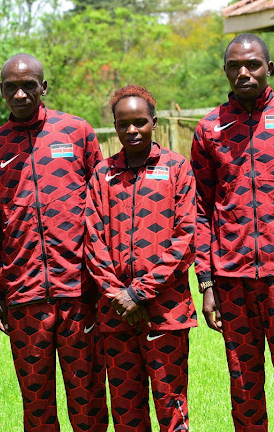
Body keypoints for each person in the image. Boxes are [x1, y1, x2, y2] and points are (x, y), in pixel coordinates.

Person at [192, 33, 274, 431]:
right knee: (244, 388)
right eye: (235, 65)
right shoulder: (210, 128)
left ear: (269, 67)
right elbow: (199, 211)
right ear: (226, 71)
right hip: (231, 281)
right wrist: (207, 282)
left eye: (252, 63)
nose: (243, 72)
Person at [0, 53, 108, 431]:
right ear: (1, 92)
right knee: (36, 405)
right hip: (24, 296)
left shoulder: (77, 133)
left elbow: (101, 207)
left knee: (88, 399)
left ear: (44, 87)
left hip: (78, 291)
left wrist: (101, 280)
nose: (20, 94)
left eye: (28, 86)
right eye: (10, 88)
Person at [85, 85, 197, 431]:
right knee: (126, 410)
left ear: (155, 122)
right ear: (115, 126)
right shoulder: (103, 175)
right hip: (115, 312)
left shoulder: (177, 169)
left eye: (140, 122)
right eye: (123, 124)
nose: (132, 130)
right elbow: (93, 240)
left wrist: (140, 293)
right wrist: (120, 295)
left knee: (172, 407)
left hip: (166, 311)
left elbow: (185, 239)